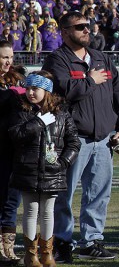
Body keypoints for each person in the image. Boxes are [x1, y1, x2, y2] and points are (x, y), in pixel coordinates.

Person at [42, 11, 119, 263]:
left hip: (102, 139)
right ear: (65, 32)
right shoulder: (57, 60)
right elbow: (65, 91)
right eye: (80, 27)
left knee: (98, 193)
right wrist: (90, 80)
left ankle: (91, 241)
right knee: (63, 193)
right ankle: (61, 241)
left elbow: (117, 95)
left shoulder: (101, 58)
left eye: (88, 26)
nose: (86, 30)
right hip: (71, 139)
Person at [8, 71, 80, 267]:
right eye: (28, 88)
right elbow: (16, 135)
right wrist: (38, 122)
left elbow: (73, 142)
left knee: (48, 212)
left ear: (46, 90)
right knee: (31, 210)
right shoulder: (22, 111)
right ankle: (31, 255)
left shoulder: (62, 113)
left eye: (35, 89)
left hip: (53, 171)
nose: (30, 93)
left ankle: (47, 253)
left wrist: (63, 162)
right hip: (27, 170)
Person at [0, 41, 25, 265]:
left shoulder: (16, 80)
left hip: (15, 150)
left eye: (10, 56)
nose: (8, 61)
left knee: (12, 200)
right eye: (3, 57)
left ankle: (8, 249)